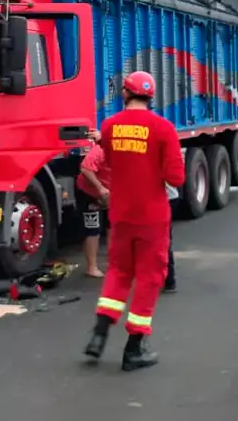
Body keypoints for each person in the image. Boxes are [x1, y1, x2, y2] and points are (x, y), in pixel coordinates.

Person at [83, 71, 185, 371]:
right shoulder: (164, 129)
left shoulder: (110, 126)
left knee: (119, 272)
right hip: (152, 217)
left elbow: (112, 162)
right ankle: (134, 347)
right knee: (151, 278)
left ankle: (99, 336)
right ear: (150, 96)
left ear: (125, 94)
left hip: (121, 214)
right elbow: (176, 177)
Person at [75, 141, 112, 278]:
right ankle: (91, 267)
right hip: (89, 192)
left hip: (111, 192)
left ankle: (113, 263)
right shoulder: (100, 150)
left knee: (113, 226)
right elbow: (85, 169)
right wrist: (100, 188)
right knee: (92, 229)